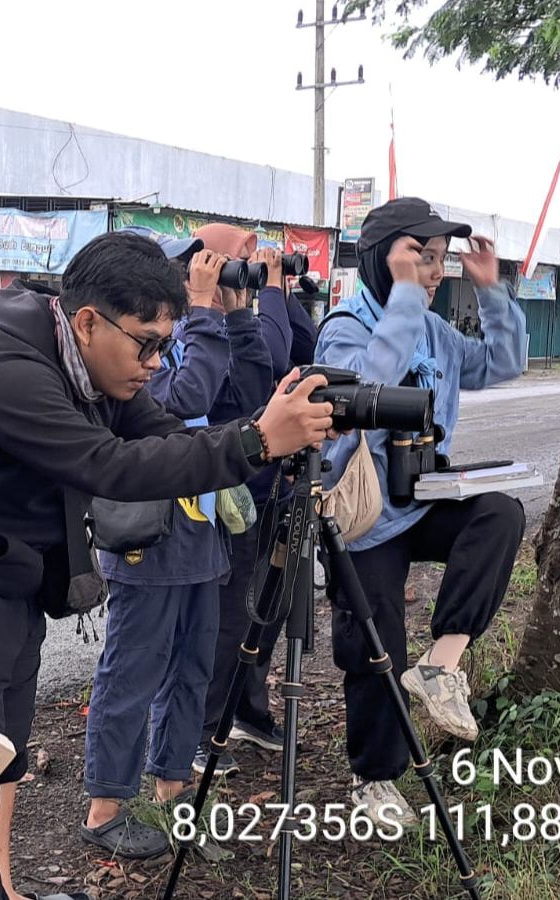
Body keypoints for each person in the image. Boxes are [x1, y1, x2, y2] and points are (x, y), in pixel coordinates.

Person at [0, 231, 335, 900]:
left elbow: (167, 437)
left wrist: (270, 434)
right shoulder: (5, 367)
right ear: (88, 322)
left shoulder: (92, 364)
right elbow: (109, 466)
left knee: (3, 756)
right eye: (146, 344)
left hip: (9, 577)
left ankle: (2, 890)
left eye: (165, 345)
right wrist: (256, 440)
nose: (156, 363)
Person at [314, 197, 527, 827]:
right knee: (374, 639)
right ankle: (375, 778)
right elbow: (364, 391)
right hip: (364, 516)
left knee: (500, 514)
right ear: (384, 260)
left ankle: (441, 664)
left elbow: (502, 362)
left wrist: (491, 291)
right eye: (422, 258)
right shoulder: (345, 326)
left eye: (439, 260)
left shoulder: (435, 331)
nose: (434, 273)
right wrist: (405, 298)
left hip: (423, 499)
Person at [78, 236, 271, 860]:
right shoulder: (141, 349)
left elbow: (250, 395)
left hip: (203, 534)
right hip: (148, 537)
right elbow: (184, 401)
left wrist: (238, 315)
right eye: (191, 267)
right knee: (133, 671)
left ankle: (173, 788)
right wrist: (204, 311)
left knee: (194, 669)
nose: (197, 277)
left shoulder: (198, 332)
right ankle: (105, 806)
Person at [195, 229, 317, 776]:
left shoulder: (248, 314)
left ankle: (247, 710)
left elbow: (303, 349)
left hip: (273, 489)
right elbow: (271, 357)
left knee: (270, 610)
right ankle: (204, 729)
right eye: (241, 261)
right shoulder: (207, 323)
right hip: (233, 494)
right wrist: (264, 289)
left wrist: (281, 289)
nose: (251, 270)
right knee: (229, 620)